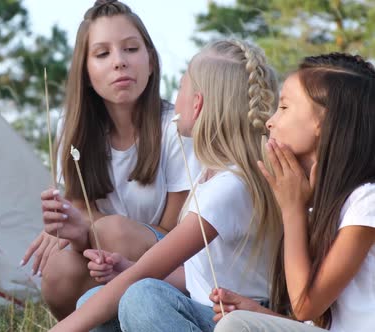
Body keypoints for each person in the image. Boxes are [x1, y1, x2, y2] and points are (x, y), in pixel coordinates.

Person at [49, 38, 282, 332]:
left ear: (196, 104)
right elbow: (198, 278)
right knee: (92, 301)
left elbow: (143, 277)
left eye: (181, 86)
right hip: (209, 309)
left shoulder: (229, 188)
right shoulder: (211, 177)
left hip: (237, 321)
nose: (174, 97)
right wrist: (127, 268)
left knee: (141, 298)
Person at [21, 0, 200, 320]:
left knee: (113, 231)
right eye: (102, 54)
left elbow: (178, 232)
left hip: (176, 259)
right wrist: (70, 229)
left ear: (151, 60)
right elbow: (79, 206)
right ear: (86, 72)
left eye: (131, 49)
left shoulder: (174, 127)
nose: (119, 62)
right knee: (58, 268)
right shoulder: (71, 128)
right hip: (103, 251)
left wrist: (90, 228)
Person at [212, 53, 375, 332]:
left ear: (323, 123)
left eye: (284, 107)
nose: (270, 122)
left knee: (235, 327)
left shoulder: (367, 202)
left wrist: (292, 209)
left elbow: (305, 305)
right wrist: (260, 313)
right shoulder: (325, 206)